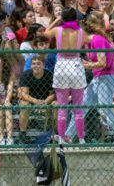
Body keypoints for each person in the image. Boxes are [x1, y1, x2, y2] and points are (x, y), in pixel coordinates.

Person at [44, 8, 87, 144]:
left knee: (63, 107)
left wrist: (57, 20)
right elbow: (85, 43)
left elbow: (46, 33)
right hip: (76, 65)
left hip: (62, 65)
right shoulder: (80, 32)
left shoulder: (58, 30)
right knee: (78, 107)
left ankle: (62, 138)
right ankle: (81, 139)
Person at [19, 55, 55, 143]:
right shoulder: (26, 74)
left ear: (43, 65)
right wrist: (35, 101)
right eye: (33, 64)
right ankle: (22, 134)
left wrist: (45, 102)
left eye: (38, 64)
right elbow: (24, 94)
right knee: (24, 104)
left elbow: (53, 94)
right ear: (31, 65)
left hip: (45, 100)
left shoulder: (49, 75)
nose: (36, 66)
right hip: (30, 100)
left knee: (56, 104)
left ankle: (54, 134)